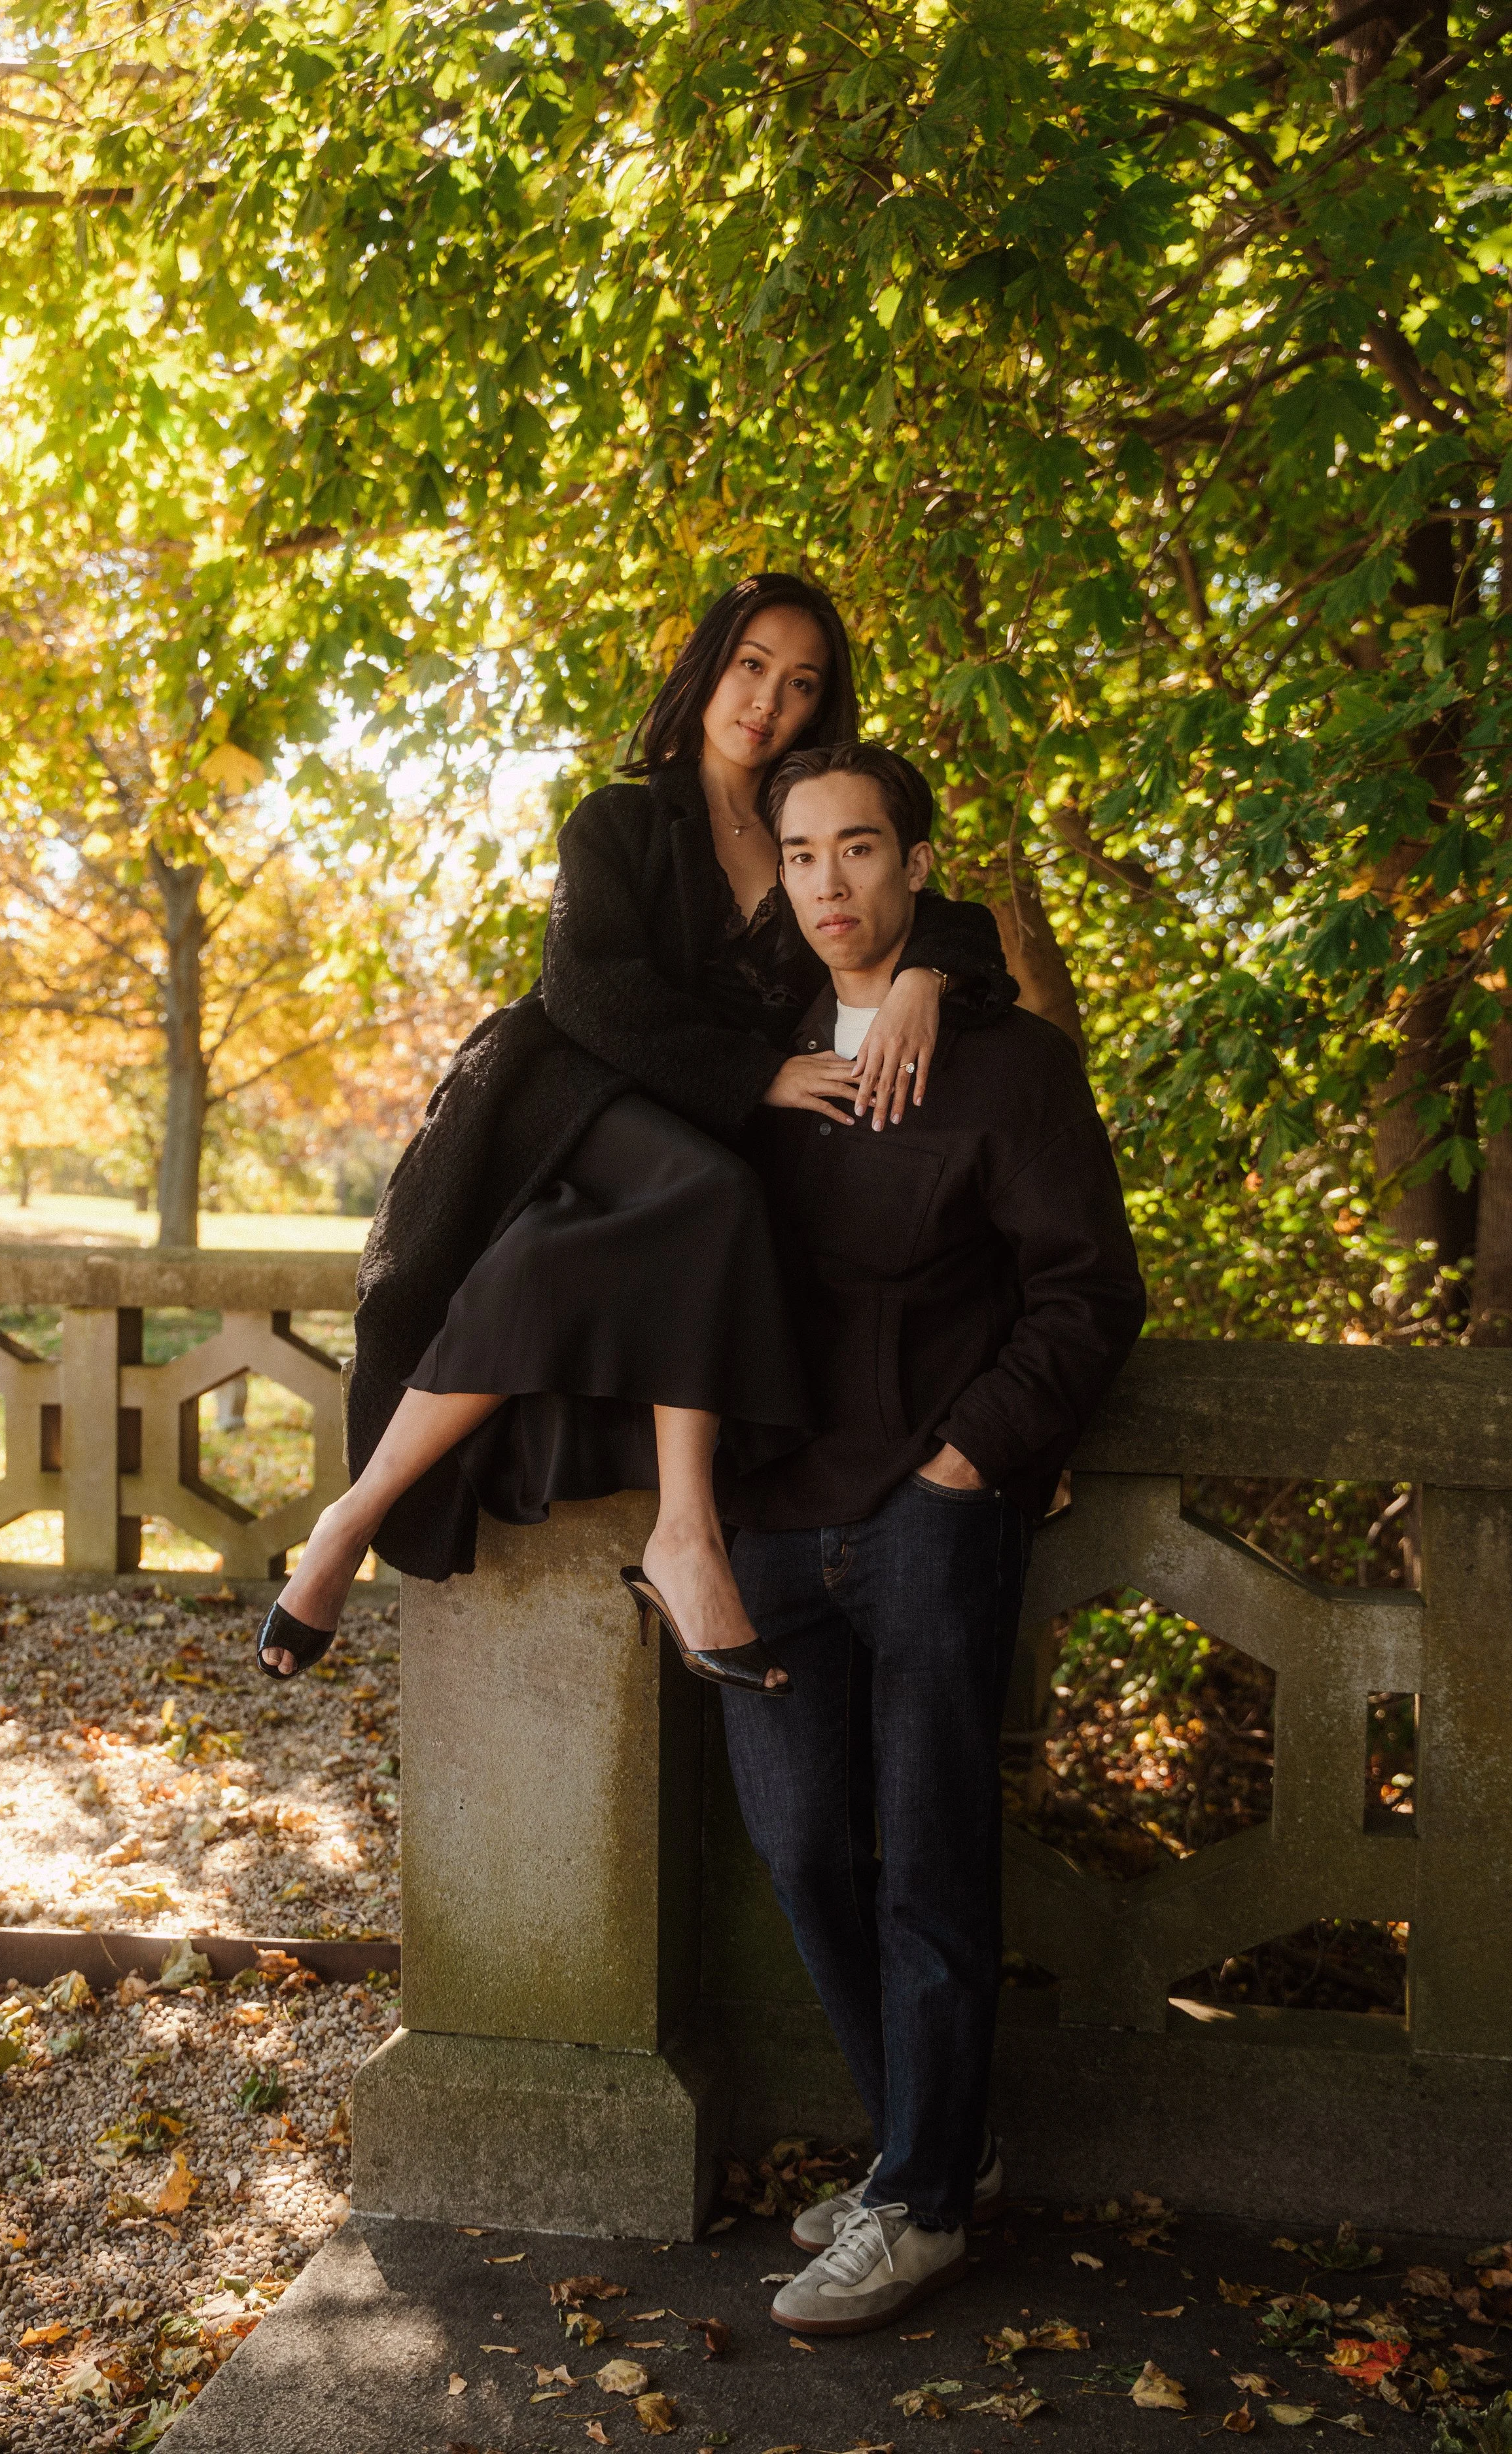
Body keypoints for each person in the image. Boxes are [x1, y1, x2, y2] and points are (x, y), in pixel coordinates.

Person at [256, 577, 1010, 1686]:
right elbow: (586, 990)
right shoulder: (619, 820)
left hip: (694, 1136)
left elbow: (936, 907)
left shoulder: (807, 825)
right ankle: (685, 1535)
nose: (768, 702)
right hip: (570, 1098)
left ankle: (352, 1516)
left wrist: (925, 978)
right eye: (752, 666)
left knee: (554, 1256)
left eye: (802, 684)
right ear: (709, 667)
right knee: (715, 1193)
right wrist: (758, 1075)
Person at [718, 741, 1146, 2336]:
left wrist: (968, 1464)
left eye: (859, 848)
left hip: (927, 1522)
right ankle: (934, 2146)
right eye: (801, 853)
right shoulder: (748, 1052)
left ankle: (914, 2205)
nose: (828, 882)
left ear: (911, 865)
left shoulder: (1008, 1067)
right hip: (765, 1519)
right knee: (802, 1849)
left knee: (931, 1859)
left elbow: (1086, 1294)